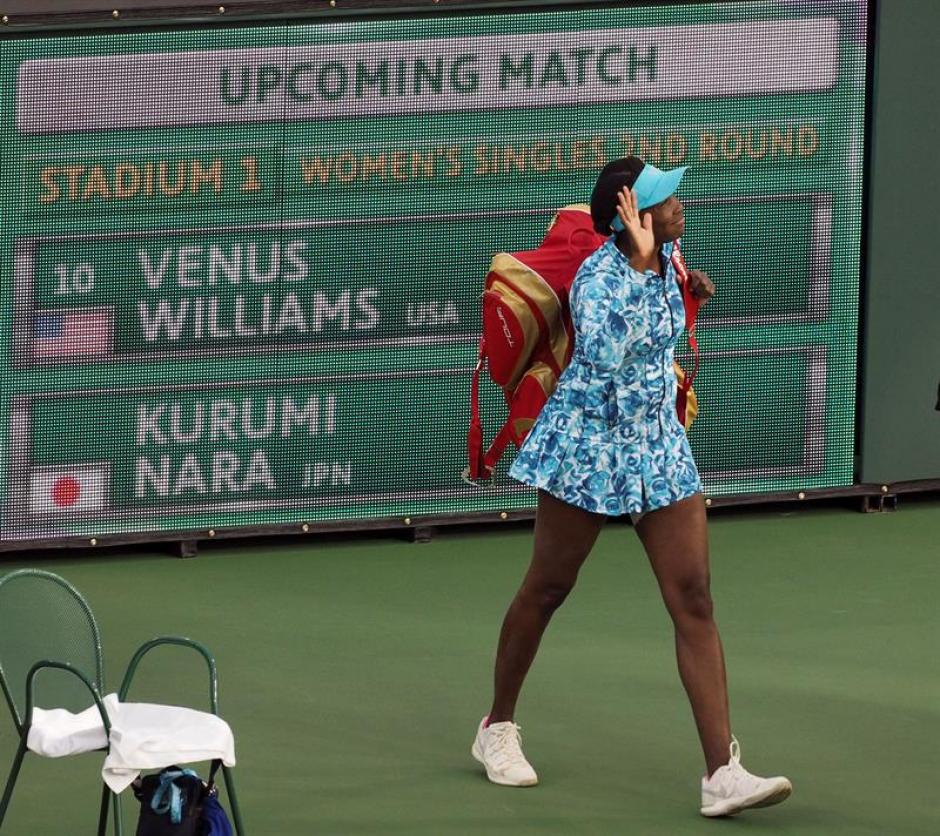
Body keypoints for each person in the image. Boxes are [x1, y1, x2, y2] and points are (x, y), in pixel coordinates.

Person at [471, 157, 792, 817]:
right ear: (632, 217)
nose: (680, 205)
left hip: (659, 450)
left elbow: (659, 338)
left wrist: (681, 285)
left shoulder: (668, 260)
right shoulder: (598, 276)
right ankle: (496, 728)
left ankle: (720, 774)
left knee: (694, 598)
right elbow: (607, 352)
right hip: (586, 451)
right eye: (667, 199)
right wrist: (645, 271)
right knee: (549, 587)